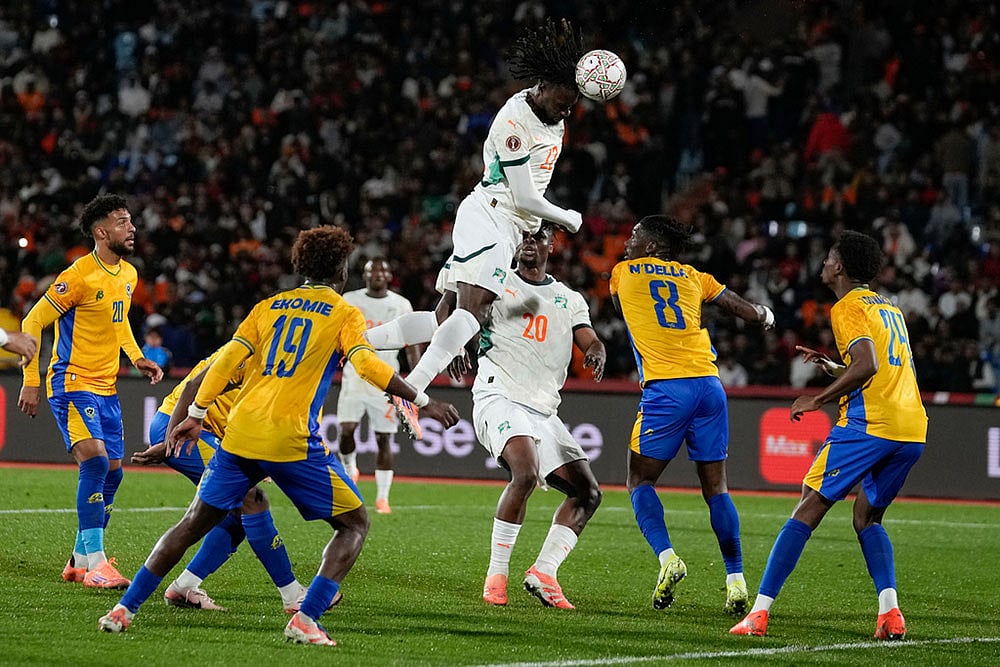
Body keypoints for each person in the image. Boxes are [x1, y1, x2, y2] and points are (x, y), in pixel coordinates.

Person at [99, 226, 460, 646]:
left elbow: (221, 364)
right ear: (342, 271)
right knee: (354, 524)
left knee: (193, 522)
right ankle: (305, 616)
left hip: (240, 435)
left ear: (299, 266)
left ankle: (124, 609)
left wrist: (196, 414)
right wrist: (420, 399)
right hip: (290, 438)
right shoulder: (344, 312)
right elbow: (366, 365)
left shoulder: (266, 307)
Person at [363, 19, 586, 428]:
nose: (566, 109)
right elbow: (525, 197)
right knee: (472, 314)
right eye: (562, 101)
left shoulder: (553, 117)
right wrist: (568, 217)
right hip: (493, 216)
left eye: (572, 104)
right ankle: (412, 390)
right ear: (541, 86)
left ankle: (357, 342)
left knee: (445, 318)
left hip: (503, 225)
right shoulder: (514, 122)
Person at [731, 231, 926, 640]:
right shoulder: (889, 308)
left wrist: (817, 399)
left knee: (808, 505)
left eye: (828, 258)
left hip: (870, 425)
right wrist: (836, 368)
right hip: (912, 427)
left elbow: (868, 365)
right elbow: (880, 367)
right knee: (867, 517)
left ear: (839, 267)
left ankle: (759, 614)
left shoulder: (847, 307)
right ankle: (890, 614)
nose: (822, 263)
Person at [609, 215, 775, 615]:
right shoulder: (695, 277)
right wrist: (765, 315)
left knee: (639, 480)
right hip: (709, 385)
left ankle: (669, 559)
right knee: (716, 488)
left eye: (635, 236)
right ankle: (736, 582)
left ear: (651, 246)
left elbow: (622, 308)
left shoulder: (623, 272)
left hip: (667, 387)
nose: (628, 241)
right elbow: (744, 310)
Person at [18, 194, 163, 589]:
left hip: (107, 387)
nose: (131, 228)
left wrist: (137, 357)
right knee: (96, 464)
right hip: (71, 382)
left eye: (130, 220)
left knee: (114, 474)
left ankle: (78, 560)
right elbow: (32, 322)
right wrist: (31, 379)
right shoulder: (79, 275)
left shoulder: (128, 275)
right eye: (121, 222)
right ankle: (97, 565)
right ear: (101, 232)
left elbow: (119, 325)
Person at [131, 347, 333, 613]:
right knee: (251, 499)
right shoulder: (252, 349)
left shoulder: (288, 361)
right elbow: (193, 386)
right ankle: (292, 593)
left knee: (236, 514)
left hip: (214, 434)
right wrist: (170, 438)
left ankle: (185, 586)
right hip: (182, 424)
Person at [471, 225, 605, 610]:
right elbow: (462, 313)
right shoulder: (496, 282)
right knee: (525, 472)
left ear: (552, 244)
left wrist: (596, 350)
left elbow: (588, 337)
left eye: (538, 237)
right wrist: (460, 344)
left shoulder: (569, 298)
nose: (530, 242)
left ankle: (544, 572)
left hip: (544, 408)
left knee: (588, 493)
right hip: (498, 394)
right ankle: (496, 575)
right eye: (525, 236)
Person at [337, 257, 421, 514]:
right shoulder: (350, 300)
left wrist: (417, 376)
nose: (377, 275)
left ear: (389, 276)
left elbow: (413, 340)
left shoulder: (401, 304)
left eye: (382, 271)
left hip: (386, 381)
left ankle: (383, 498)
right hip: (354, 376)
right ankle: (351, 467)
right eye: (372, 271)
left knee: (384, 439)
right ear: (364, 275)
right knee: (346, 431)